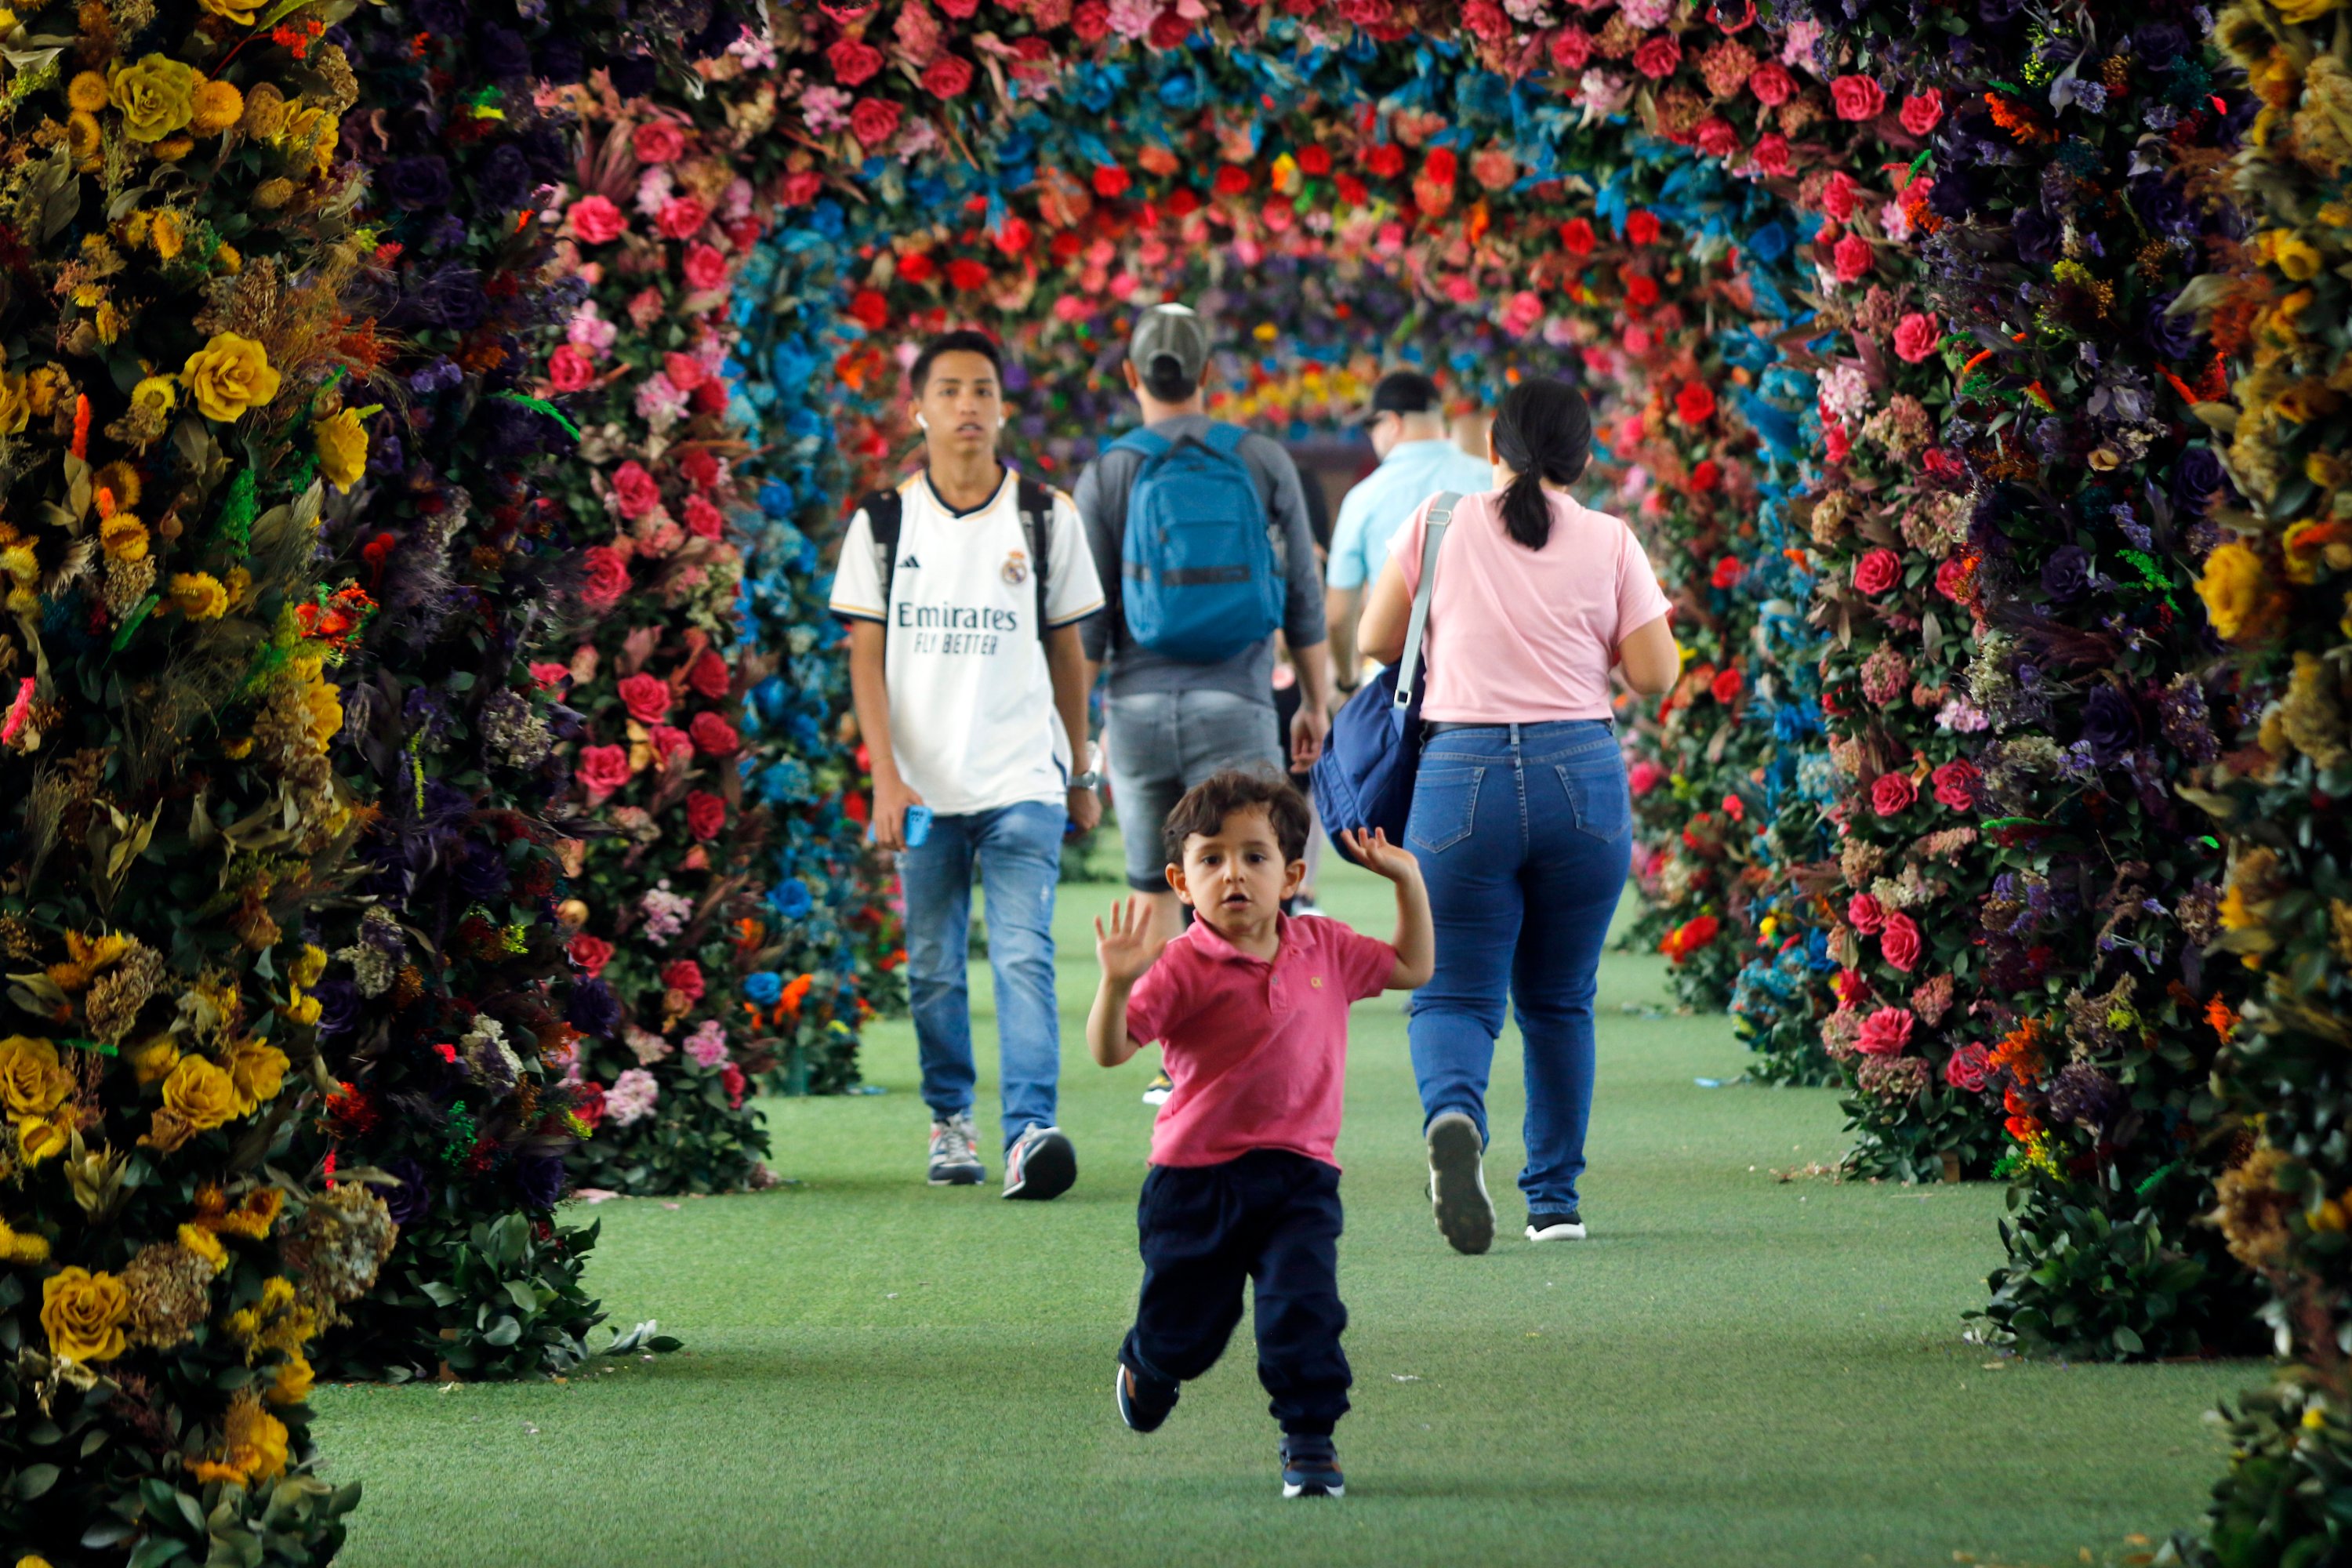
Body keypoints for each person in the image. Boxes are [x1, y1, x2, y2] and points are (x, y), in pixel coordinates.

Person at [1355, 376, 1679, 1254]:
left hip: (1459, 777)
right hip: (1582, 773)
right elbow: (1656, 675)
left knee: (1454, 988)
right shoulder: (1611, 540)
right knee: (1560, 1000)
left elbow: (1375, 640)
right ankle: (1556, 1203)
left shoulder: (1439, 520)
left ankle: (1456, 1116)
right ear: (1583, 456)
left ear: (1491, 448)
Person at [1087, 771, 1432, 1500]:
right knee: (1190, 1333)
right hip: (1194, 1182)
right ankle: (1150, 1362)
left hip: (1300, 1177)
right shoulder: (1181, 965)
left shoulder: (1326, 948)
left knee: (1302, 1312)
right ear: (1181, 882)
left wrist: (1408, 880)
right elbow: (1112, 1049)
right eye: (1211, 860)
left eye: (1254, 855)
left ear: (1293, 874)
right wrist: (1116, 984)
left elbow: (1413, 966)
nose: (1233, 874)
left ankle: (1309, 1440)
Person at [829, 328, 1106, 1200]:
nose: (968, 405)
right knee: (934, 964)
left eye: (983, 389)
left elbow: (1071, 655)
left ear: (1003, 406)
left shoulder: (1046, 516)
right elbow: (863, 658)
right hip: (921, 788)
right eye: (949, 389)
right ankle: (952, 1119)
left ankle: (1031, 1132)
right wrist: (882, 774)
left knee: (1024, 956)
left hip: (1023, 776)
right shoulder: (881, 521)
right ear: (918, 409)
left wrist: (1081, 769)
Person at [1075, 302, 1337, 946]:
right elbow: (1303, 593)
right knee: (1248, 893)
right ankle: (1252, 1044)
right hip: (1237, 703)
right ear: (1208, 373)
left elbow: (1086, 622)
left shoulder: (1109, 471)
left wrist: (1082, 731)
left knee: (1153, 889)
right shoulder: (1262, 460)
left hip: (1135, 712)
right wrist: (1313, 701)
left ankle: (1175, 1048)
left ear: (1133, 376)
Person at [1323, 371, 1495, 696]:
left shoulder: (1364, 497)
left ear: (1392, 422)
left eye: (1371, 427)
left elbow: (1338, 615)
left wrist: (1347, 683)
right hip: (1490, 677)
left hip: (1405, 682)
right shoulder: (1491, 480)